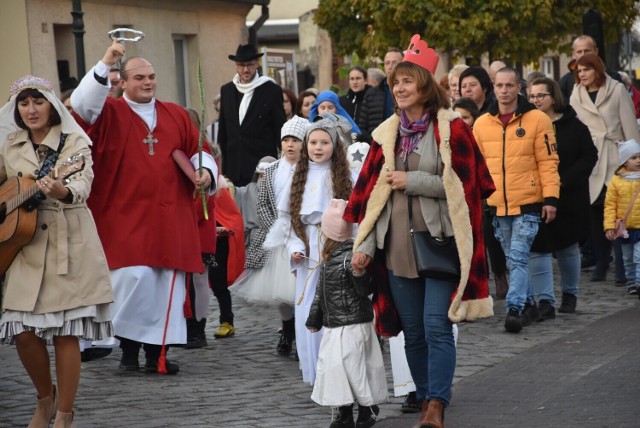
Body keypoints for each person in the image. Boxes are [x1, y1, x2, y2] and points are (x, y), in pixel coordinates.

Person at [345, 34, 495, 428]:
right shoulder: (385, 134)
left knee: (435, 325)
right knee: (411, 331)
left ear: (425, 86)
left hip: (440, 244)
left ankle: (436, 405)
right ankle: (427, 392)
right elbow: (368, 196)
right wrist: (363, 243)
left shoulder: (452, 131)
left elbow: (468, 186)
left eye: (407, 81)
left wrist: (413, 180)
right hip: (395, 248)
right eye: (395, 83)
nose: (399, 88)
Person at [70, 41, 216, 374]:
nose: (148, 82)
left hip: (170, 217)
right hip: (123, 217)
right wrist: (107, 60)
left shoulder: (176, 114)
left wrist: (205, 171)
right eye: (139, 78)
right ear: (121, 82)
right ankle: (126, 349)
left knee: (166, 286)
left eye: (151, 76)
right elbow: (81, 106)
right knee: (132, 279)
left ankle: (155, 354)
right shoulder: (108, 113)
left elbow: (199, 150)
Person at [0, 75, 113, 427]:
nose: (31, 110)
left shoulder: (74, 140)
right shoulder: (9, 143)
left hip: (68, 240)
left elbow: (83, 185)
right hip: (24, 245)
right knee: (21, 331)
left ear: (52, 105)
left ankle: (64, 413)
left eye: (37, 102)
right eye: (24, 103)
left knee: (66, 333)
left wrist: (61, 189)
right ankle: (44, 399)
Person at [266, 115, 357, 385]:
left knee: (336, 305)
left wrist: (348, 245)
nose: (318, 148)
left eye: (324, 142)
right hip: (308, 247)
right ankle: (314, 370)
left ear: (335, 145)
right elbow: (289, 219)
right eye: (313, 142)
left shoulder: (344, 176)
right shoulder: (298, 176)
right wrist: (295, 247)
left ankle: (338, 369)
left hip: (336, 245)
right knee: (308, 307)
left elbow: (355, 216)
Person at [473, 67, 560, 332]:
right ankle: (531, 305)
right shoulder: (481, 123)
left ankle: (515, 307)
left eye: (509, 85)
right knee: (513, 259)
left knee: (520, 258)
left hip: (529, 202)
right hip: (497, 204)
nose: (504, 90)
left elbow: (548, 161)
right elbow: (476, 166)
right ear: (493, 87)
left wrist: (551, 198)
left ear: (518, 87)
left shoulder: (537, 120)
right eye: (499, 85)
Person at [230, 116, 308, 356]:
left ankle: (304, 331)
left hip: (304, 236)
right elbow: (262, 202)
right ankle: (287, 327)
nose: (290, 145)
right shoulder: (272, 170)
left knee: (302, 287)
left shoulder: (310, 169)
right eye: (286, 140)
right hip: (278, 238)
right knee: (282, 291)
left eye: (295, 140)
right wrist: (278, 228)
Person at [306, 199, 387, 428]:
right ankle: (342, 413)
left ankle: (366, 407)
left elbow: (365, 290)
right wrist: (315, 319)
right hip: (335, 326)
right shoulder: (328, 262)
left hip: (352, 325)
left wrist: (359, 272)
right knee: (335, 369)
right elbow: (320, 294)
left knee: (354, 368)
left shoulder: (351, 259)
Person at [528, 77, 598, 314]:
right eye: (532, 96)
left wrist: (564, 180)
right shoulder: (528, 124)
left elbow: (589, 156)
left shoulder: (574, 126)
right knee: (538, 248)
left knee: (568, 247)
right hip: (536, 195)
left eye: (541, 96)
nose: (536, 100)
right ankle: (545, 299)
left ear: (553, 96)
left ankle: (569, 294)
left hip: (569, 197)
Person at [570, 53, 640, 282]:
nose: (582, 75)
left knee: (620, 213)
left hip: (615, 155)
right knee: (594, 213)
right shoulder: (576, 94)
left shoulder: (617, 89)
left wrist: (635, 158)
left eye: (586, 70)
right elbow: (575, 130)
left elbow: (629, 125)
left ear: (597, 69)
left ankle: (622, 267)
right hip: (591, 159)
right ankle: (602, 262)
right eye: (579, 71)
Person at [218, 43, 287, 186]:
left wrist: (283, 163)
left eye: (249, 65)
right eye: (241, 65)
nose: (245, 69)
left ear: (257, 65)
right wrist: (223, 169)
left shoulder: (271, 90)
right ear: (236, 66)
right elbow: (223, 131)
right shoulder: (227, 90)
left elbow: (280, 129)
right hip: (234, 167)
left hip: (261, 167)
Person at [604, 139, 640, 295]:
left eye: (639, 157)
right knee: (628, 258)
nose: (638, 160)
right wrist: (609, 226)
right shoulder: (616, 181)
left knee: (639, 256)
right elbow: (610, 205)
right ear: (625, 162)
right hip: (624, 228)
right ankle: (631, 280)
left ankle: (638, 282)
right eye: (633, 158)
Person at [358, 48, 404, 142]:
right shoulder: (371, 94)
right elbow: (363, 127)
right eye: (387, 63)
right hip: (377, 145)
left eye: (394, 63)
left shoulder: (408, 91)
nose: (390, 66)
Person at [559, 35, 623, 101]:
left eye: (587, 51)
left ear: (596, 51)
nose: (583, 55)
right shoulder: (565, 82)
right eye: (579, 52)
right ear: (573, 54)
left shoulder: (614, 78)